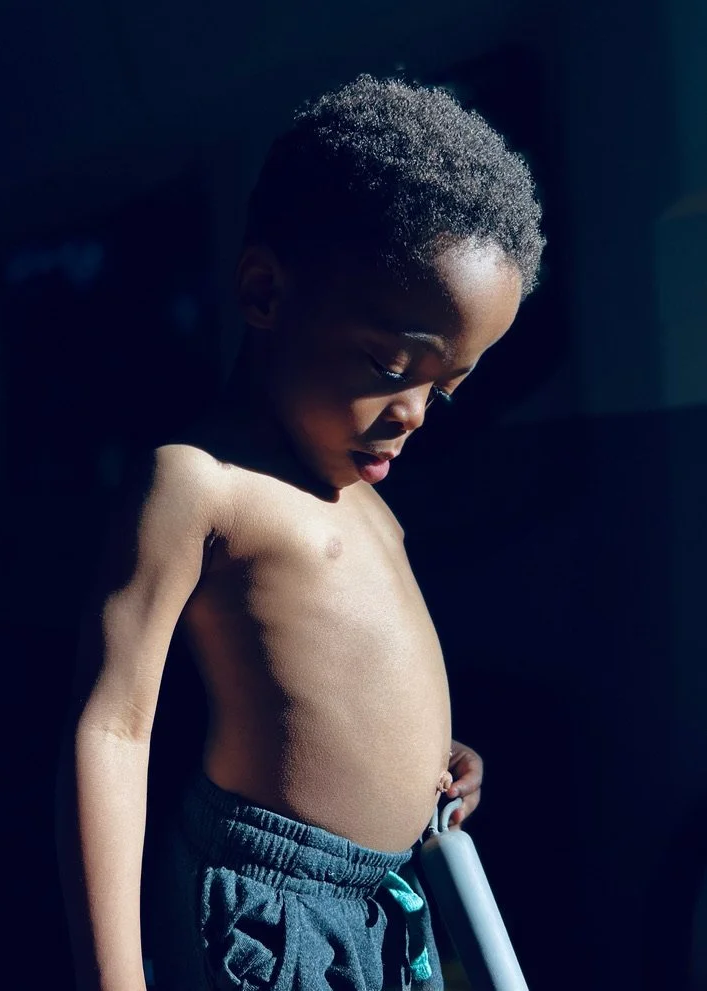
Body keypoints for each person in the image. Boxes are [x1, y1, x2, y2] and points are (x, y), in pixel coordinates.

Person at [56, 73, 544, 991]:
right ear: (264, 291)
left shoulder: (368, 499)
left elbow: (344, 685)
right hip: (278, 913)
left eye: (442, 388)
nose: (413, 414)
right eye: (388, 365)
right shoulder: (198, 484)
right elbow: (113, 732)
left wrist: (424, 757)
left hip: (395, 900)